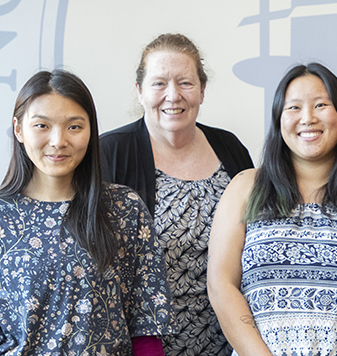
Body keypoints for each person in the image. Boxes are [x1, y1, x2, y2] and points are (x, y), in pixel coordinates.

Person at [0, 70, 171, 355]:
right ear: (18, 129)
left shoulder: (124, 208)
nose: (58, 141)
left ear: (90, 131)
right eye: (42, 126)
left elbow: (146, 330)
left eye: (74, 127)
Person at [207, 63, 337, 356]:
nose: (308, 118)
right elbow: (221, 284)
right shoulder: (245, 188)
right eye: (294, 108)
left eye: (321, 105)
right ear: (278, 118)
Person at [100, 33, 254, 355]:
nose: (173, 96)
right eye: (159, 84)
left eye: (185, 83)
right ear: (140, 91)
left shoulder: (230, 148)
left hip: (228, 343)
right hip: (142, 345)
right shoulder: (109, 153)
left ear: (202, 90)